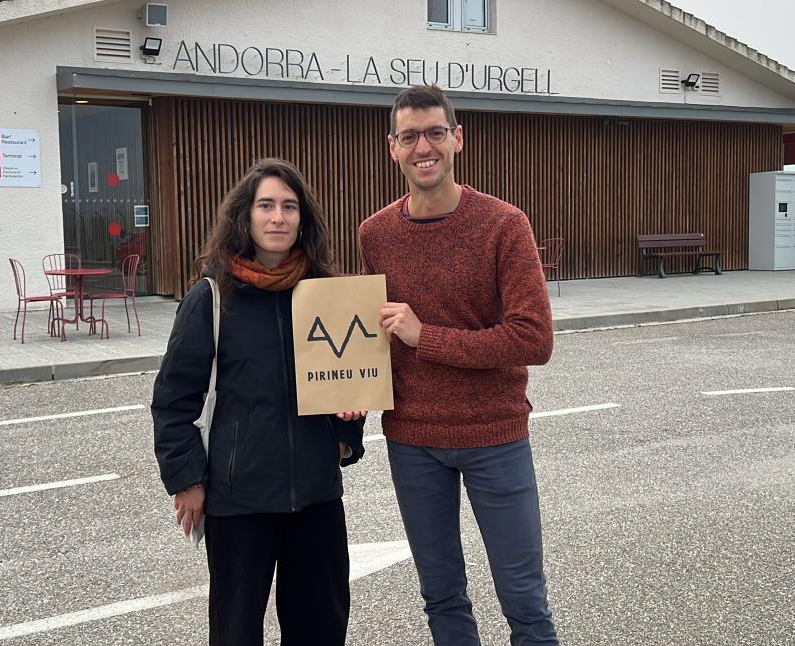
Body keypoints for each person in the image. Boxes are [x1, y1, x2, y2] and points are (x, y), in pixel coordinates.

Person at [357, 84, 558, 645]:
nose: (425, 147)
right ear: (392, 147)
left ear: (457, 139)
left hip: (496, 435)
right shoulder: (374, 235)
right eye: (410, 136)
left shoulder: (503, 224)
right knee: (441, 596)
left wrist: (428, 338)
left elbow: (534, 339)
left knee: (524, 598)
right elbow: (380, 333)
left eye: (435, 133)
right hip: (412, 441)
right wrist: (351, 385)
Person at [152, 158, 365, 646]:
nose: (278, 218)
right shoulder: (211, 297)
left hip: (316, 496)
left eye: (289, 207)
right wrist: (185, 479)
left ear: (302, 220)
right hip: (238, 499)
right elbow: (173, 399)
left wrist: (345, 436)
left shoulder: (327, 295)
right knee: (236, 633)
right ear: (244, 217)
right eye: (265, 205)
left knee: (322, 628)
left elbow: (352, 381)